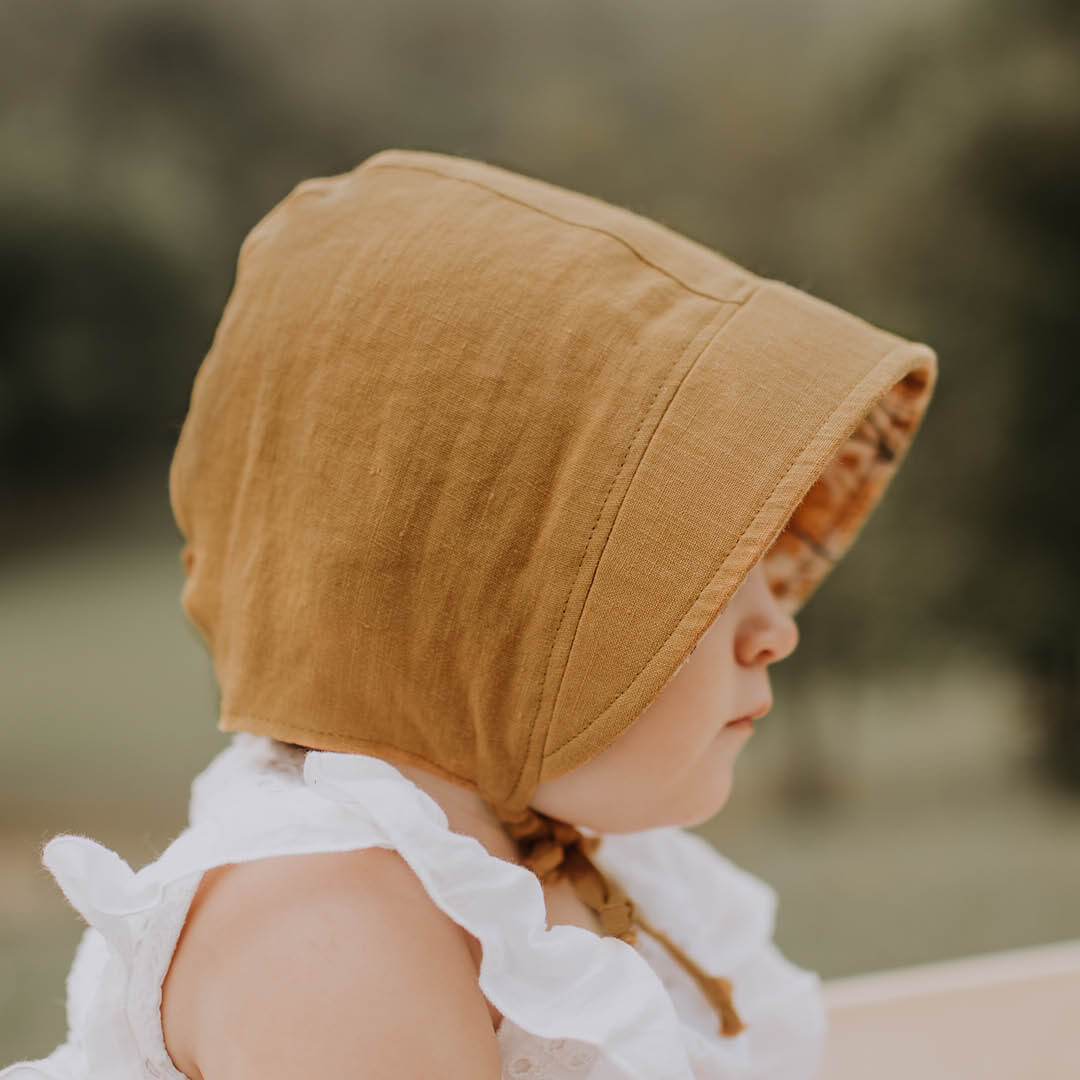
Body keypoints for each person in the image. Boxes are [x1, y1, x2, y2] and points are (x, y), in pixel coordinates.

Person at [2, 148, 937, 1080]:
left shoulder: (540, 857)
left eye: (768, 565)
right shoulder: (332, 928)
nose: (779, 627)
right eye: (700, 572)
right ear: (475, 613)